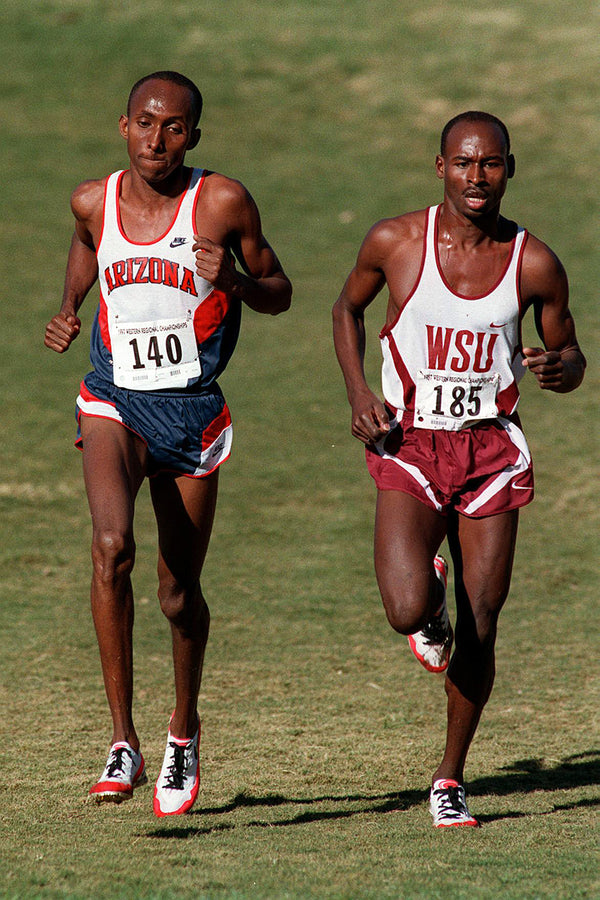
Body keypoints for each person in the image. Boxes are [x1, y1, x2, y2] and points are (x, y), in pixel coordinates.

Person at [45, 71, 292, 817]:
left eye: (175, 127)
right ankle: (123, 740)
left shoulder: (220, 202)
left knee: (178, 595)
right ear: (123, 125)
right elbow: (89, 244)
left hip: (190, 413)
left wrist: (241, 282)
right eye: (146, 124)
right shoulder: (94, 199)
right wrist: (68, 306)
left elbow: (281, 288)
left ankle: (183, 729)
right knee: (111, 546)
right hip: (113, 399)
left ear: (195, 135)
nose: (158, 140)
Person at [332, 111, 585, 828]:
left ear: (511, 168)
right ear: (439, 166)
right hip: (410, 444)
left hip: (491, 455)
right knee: (406, 609)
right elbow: (345, 312)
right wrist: (359, 394)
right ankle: (427, 608)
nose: (478, 178)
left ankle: (449, 777)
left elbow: (570, 355)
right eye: (465, 163)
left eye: (493, 164)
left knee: (484, 621)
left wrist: (560, 369)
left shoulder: (534, 264)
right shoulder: (396, 242)